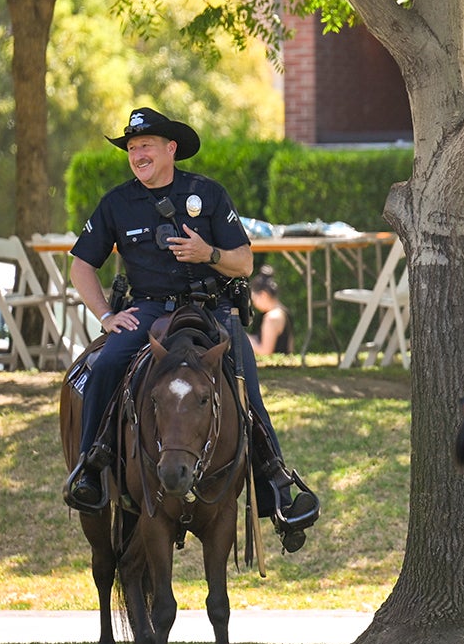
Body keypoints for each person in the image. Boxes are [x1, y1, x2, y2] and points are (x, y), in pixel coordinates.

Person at [62, 107, 320, 551]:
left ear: (170, 149)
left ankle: (276, 484)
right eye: (131, 148)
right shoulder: (117, 203)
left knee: (245, 381)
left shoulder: (207, 194)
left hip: (211, 311)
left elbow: (244, 261)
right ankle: (91, 468)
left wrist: (208, 253)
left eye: (145, 146)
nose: (137, 154)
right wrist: (106, 316)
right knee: (103, 367)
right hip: (146, 313)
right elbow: (81, 265)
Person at [247, 266, 292, 357]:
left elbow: (265, 352)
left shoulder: (272, 318)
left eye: (254, 299)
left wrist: (245, 338)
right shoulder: (284, 312)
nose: (254, 304)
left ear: (263, 295)